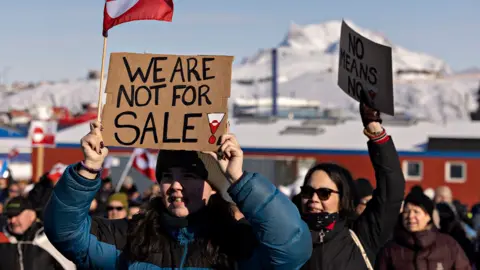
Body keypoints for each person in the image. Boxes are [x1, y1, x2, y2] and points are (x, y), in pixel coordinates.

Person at [43, 121, 312, 269]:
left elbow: (291, 248)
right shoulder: (131, 237)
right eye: (167, 177)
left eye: (189, 177)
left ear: (211, 186)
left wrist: (239, 179)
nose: (176, 186)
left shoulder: (237, 241)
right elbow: (66, 234)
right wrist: (89, 168)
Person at [297, 101, 405, 270]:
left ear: (343, 198)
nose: (313, 199)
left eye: (324, 193)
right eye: (308, 192)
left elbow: (391, 189)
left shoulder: (361, 235)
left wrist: (376, 132)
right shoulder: (286, 238)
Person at [377, 191, 471, 270]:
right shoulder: (391, 249)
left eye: (416, 212)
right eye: (406, 211)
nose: (410, 216)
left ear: (428, 216)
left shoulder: (448, 245)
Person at [0, 196, 75, 270]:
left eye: (16, 215)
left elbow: (69, 266)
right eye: (9, 216)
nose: (13, 220)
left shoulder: (50, 239)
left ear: (32, 215)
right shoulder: (4, 240)